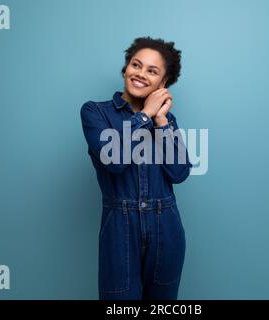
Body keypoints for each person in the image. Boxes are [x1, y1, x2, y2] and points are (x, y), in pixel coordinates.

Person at [80, 36, 193, 300]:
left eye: (152, 71)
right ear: (126, 68)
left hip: (166, 226)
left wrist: (162, 120)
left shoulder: (166, 120)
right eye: (136, 65)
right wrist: (144, 116)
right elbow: (114, 160)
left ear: (163, 83)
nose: (140, 74)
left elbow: (180, 173)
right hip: (120, 227)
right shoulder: (95, 112)